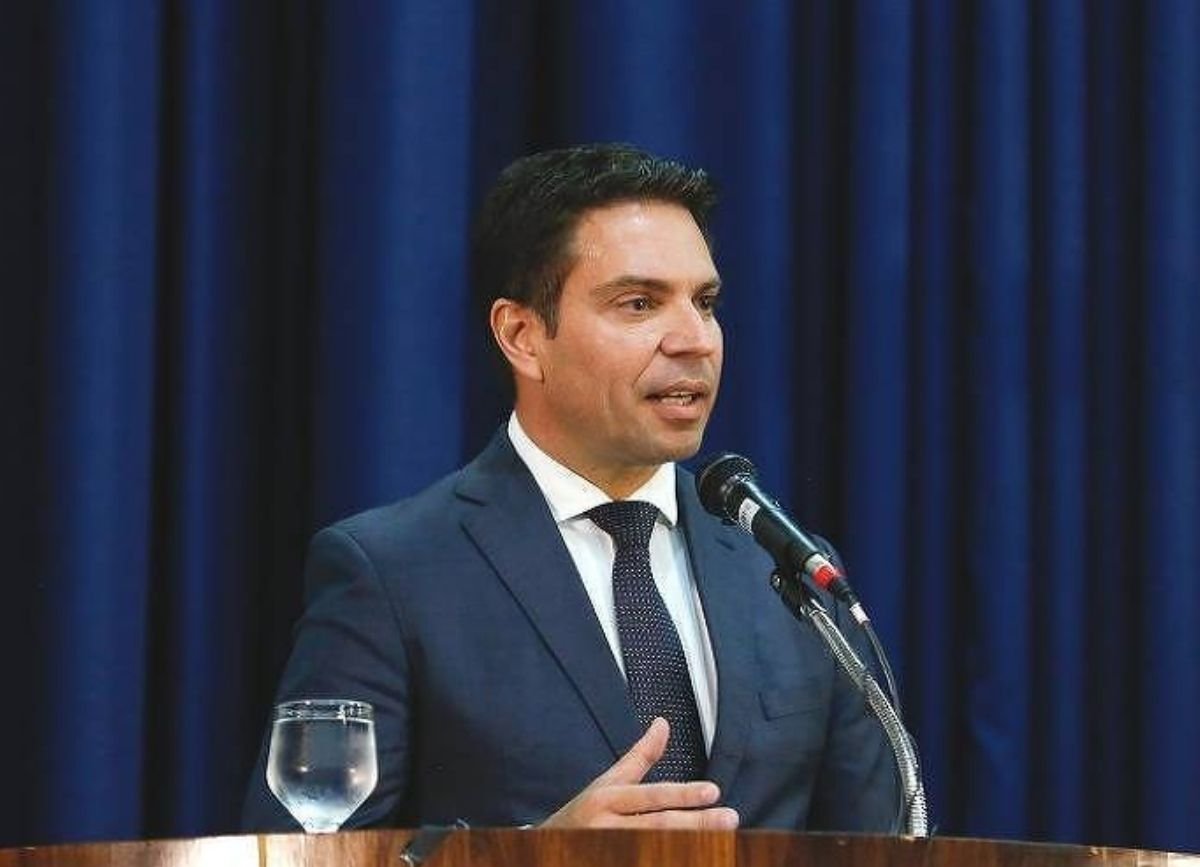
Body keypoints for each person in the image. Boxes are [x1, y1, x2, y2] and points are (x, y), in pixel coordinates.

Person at [242, 143, 899, 832]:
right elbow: (297, 864)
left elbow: (883, 857)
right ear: (523, 336)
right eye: (640, 303)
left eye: (705, 303)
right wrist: (534, 865)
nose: (695, 339)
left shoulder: (790, 574)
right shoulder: (393, 575)